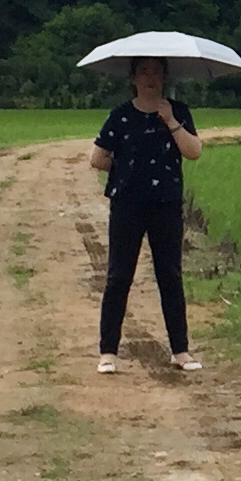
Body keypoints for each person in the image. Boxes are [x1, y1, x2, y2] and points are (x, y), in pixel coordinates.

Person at [92, 55, 203, 375]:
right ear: (133, 78)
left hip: (166, 204)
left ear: (165, 77)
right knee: (118, 277)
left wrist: (170, 120)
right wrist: (127, 167)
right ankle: (108, 352)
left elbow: (194, 151)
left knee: (170, 276)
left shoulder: (178, 112)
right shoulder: (120, 116)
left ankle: (180, 351)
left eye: (156, 71)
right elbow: (97, 158)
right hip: (127, 204)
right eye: (144, 71)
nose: (150, 78)